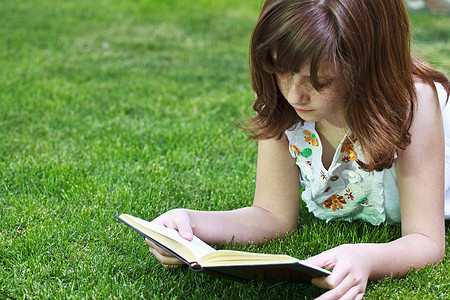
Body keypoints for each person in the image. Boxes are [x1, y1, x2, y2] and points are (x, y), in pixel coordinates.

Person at [146, 0, 450, 299]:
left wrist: (367, 258)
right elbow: (272, 215)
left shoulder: (413, 103)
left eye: (319, 81)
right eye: (281, 70)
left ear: (367, 67)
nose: (294, 94)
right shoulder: (286, 105)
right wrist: (189, 223)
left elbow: (425, 240)